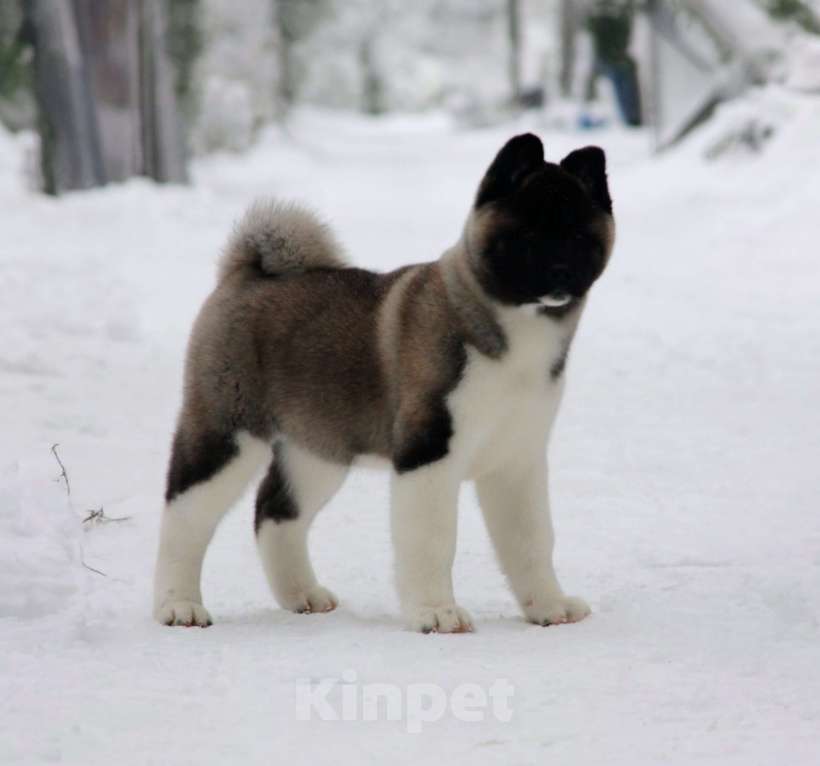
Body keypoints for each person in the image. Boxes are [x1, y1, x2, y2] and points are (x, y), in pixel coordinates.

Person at [585, 0, 643, 126]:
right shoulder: (603, 18)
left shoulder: (612, 15)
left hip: (613, 58)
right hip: (608, 59)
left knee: (625, 73)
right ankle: (631, 117)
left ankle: (633, 116)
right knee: (621, 76)